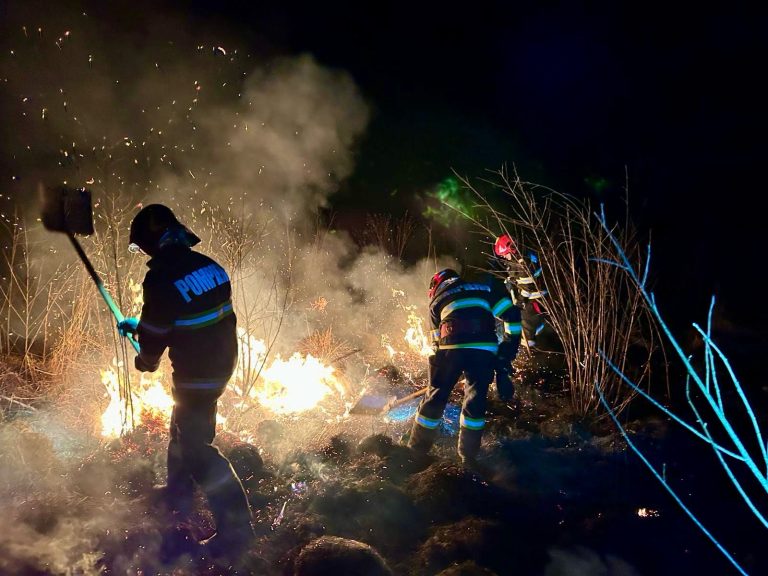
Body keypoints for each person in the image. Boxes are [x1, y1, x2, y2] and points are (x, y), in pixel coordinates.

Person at [117, 204, 254, 559]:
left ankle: (237, 529)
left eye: (141, 247)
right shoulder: (208, 265)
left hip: (198, 374)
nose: (143, 254)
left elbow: (154, 342)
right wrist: (141, 325)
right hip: (220, 363)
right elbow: (184, 315)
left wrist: (144, 358)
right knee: (182, 424)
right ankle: (177, 490)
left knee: (197, 448)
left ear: (152, 242)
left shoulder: (160, 277)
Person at [407, 268, 522, 468]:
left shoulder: (437, 300)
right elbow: (512, 315)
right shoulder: (484, 289)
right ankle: (468, 457)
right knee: (475, 401)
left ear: (436, 286)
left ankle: (416, 451)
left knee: (436, 396)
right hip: (484, 349)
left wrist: (447, 371)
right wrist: (506, 354)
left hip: (451, 347)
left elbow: (436, 345)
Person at [493, 233, 548, 351]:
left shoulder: (522, 262)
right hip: (534, 300)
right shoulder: (522, 257)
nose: (505, 258)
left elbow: (527, 286)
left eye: (505, 255)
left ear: (510, 249)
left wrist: (520, 301)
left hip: (532, 301)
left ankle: (531, 355)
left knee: (527, 330)